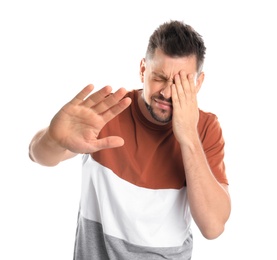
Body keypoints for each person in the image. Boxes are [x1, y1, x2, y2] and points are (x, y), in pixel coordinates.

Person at [29, 20, 231, 260]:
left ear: (197, 83)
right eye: (159, 77)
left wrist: (188, 137)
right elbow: (38, 155)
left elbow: (213, 227)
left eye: (179, 83)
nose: (166, 93)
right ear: (143, 69)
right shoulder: (109, 110)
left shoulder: (206, 128)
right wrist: (53, 138)